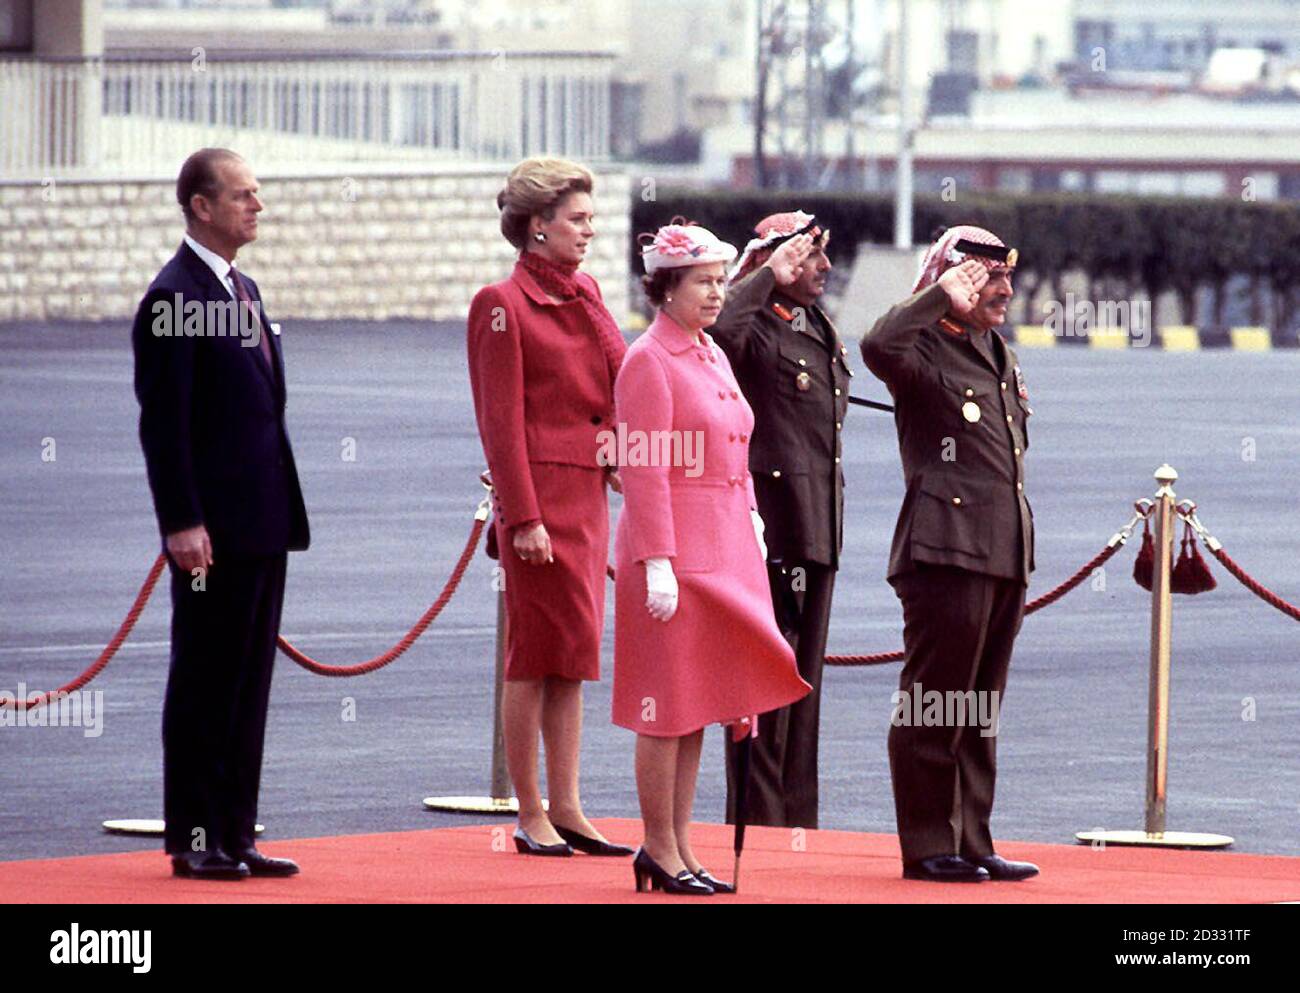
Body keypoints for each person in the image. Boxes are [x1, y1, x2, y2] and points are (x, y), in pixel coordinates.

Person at [612, 220, 812, 895]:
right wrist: (657, 560)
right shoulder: (649, 359)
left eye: (722, 280)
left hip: (723, 544)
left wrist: (752, 517)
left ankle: (683, 846)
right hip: (673, 549)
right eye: (703, 281)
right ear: (666, 287)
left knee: (698, 703)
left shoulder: (708, 354)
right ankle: (657, 847)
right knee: (663, 705)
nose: (717, 293)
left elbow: (734, 442)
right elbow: (642, 470)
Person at [132, 148, 309, 880]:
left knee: (247, 682)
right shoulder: (172, 298)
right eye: (242, 195)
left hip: (263, 519)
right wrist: (181, 520)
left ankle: (236, 830)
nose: (256, 206)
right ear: (200, 207)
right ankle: (195, 835)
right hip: (211, 526)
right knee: (205, 677)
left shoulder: (245, 289)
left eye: (257, 194)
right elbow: (164, 424)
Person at [859, 225, 1039, 883]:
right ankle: (929, 841)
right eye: (989, 280)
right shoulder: (921, 346)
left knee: (979, 704)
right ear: (952, 279)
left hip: (1002, 549)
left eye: (1005, 279)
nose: (1005, 291)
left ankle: (971, 837)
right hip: (944, 548)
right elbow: (877, 343)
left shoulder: (997, 352)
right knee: (935, 699)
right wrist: (937, 296)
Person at [466, 157, 632, 858]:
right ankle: (529, 808)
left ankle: (568, 805)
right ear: (538, 226)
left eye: (591, 217)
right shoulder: (500, 304)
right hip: (539, 503)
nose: (589, 230)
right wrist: (522, 517)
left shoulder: (586, 293)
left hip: (588, 496)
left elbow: (609, 391)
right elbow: (499, 425)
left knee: (574, 656)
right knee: (532, 656)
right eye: (578, 218)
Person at [711, 210, 852, 829]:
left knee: (802, 693)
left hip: (815, 530)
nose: (820, 268)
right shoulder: (751, 325)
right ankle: (759, 827)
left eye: (821, 257)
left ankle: (799, 825)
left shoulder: (814, 325)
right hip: (767, 532)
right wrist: (767, 274)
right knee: (763, 692)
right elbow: (714, 333)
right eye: (807, 258)